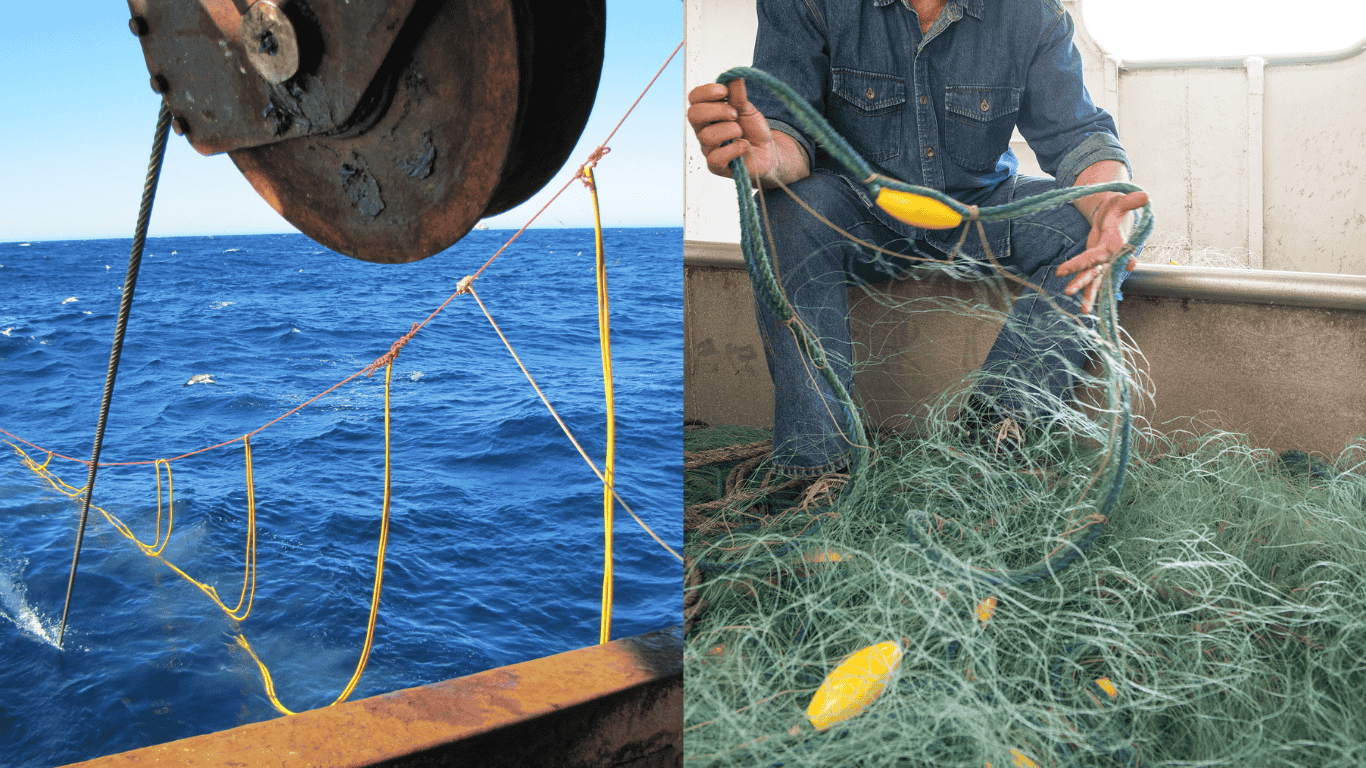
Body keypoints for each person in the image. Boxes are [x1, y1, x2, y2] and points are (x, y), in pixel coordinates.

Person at [688, 0, 1149, 476]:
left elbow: (1078, 136)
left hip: (976, 211)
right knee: (781, 209)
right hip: (856, 211)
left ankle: (992, 444)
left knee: (1089, 233)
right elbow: (787, 134)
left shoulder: (1033, 13)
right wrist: (766, 157)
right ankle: (815, 470)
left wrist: (1110, 202)